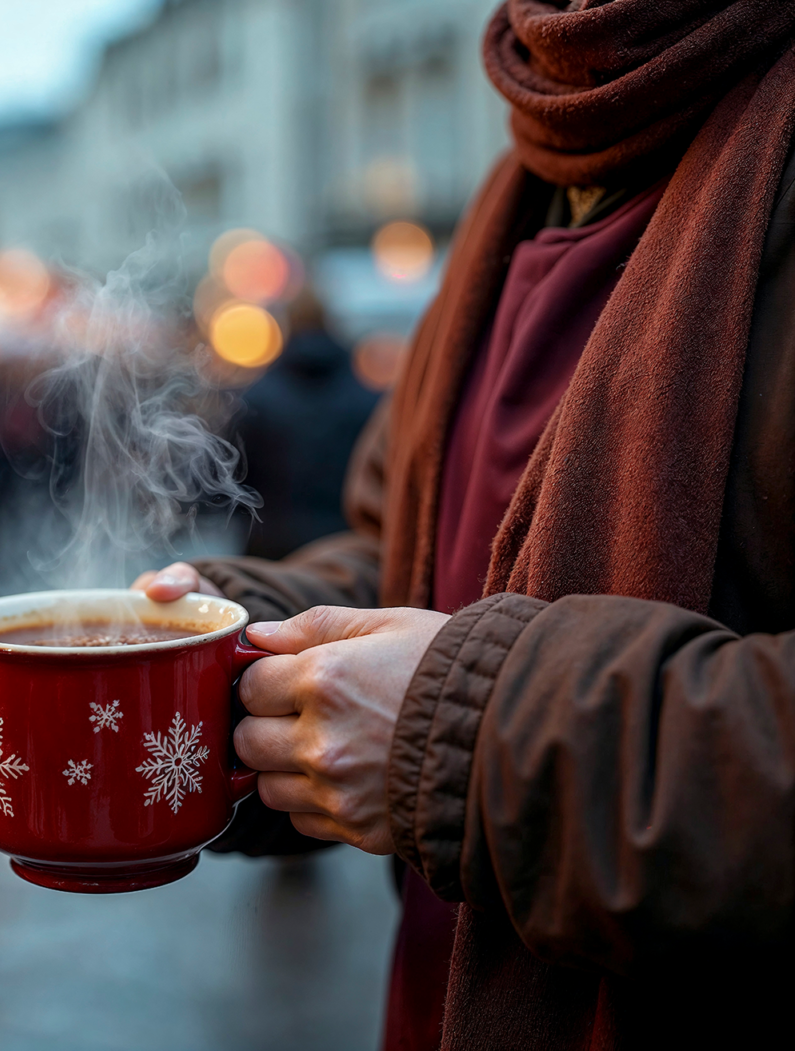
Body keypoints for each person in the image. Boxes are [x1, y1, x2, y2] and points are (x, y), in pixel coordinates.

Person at [136, 3, 795, 1046]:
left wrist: (472, 739)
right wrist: (220, 643)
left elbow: (447, 678)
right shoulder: (529, 169)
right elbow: (416, 553)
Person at [232, 288, 377, 560]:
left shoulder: (257, 398)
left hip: (271, 542)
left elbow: (236, 477)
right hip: (342, 545)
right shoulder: (365, 396)